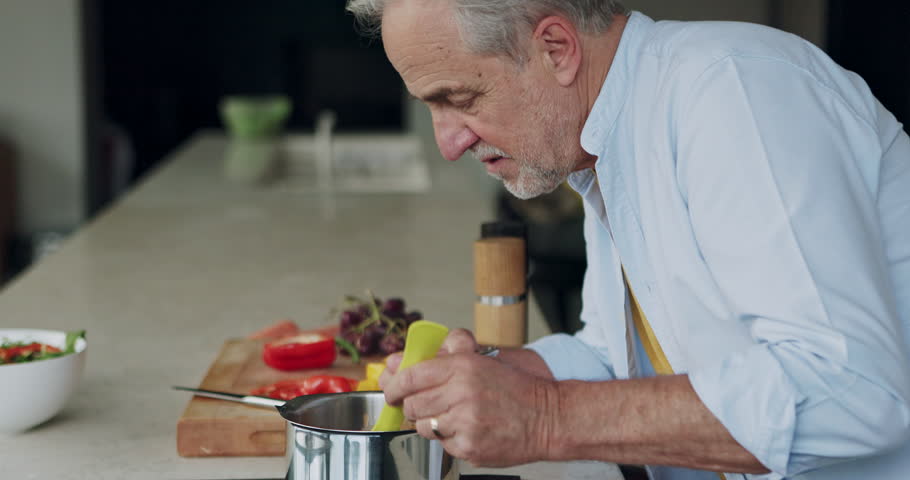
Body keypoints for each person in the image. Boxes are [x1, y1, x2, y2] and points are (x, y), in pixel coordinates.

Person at [345, 1, 910, 478]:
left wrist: (544, 415)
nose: (449, 143)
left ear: (556, 49)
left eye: (461, 99)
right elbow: (622, 362)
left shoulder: (733, 89)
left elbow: (852, 397)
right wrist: (500, 377)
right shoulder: (603, 139)